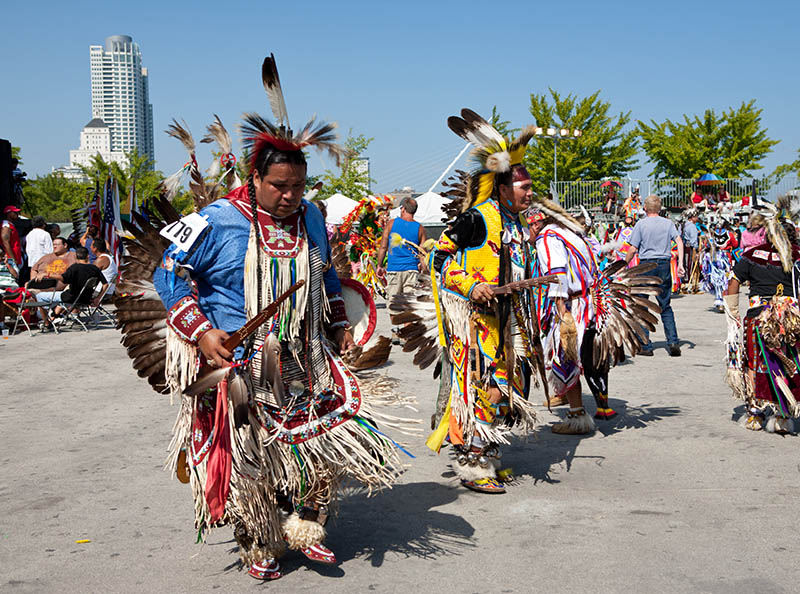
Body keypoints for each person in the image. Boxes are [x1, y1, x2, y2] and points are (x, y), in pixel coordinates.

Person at [147, 56, 406, 581]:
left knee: (318, 445)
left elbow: (327, 274)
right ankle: (258, 537)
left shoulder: (311, 216)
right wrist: (201, 332)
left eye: (299, 187)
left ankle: (307, 526)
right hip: (241, 363)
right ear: (255, 178)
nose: (290, 198)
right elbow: (166, 271)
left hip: (308, 356)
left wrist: (337, 322)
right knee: (252, 456)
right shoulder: (216, 219)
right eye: (279, 187)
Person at [426, 109, 539, 493]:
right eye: (523, 187)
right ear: (503, 188)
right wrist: (471, 285)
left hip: (509, 320)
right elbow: (438, 257)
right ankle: (474, 463)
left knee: (508, 388)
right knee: (484, 387)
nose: (529, 193)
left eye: (529, 187)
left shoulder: (517, 225)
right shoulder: (478, 217)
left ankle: (489, 456)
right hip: (476, 322)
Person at [723, 196, 800, 433]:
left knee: (755, 363)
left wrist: (732, 314)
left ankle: (755, 414)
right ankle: (783, 415)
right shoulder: (796, 255)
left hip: (758, 317)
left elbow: (733, 281)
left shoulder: (751, 255)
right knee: (788, 362)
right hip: (790, 319)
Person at [625, 194, 683, 356]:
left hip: (646, 265)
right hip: (664, 264)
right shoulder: (668, 223)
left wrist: (623, 264)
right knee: (665, 305)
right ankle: (673, 341)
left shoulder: (641, 225)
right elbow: (679, 241)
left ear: (645, 208)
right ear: (660, 208)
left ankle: (645, 344)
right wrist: (681, 264)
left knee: (642, 305)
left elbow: (633, 248)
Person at [376, 197, 427, 302]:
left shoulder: (391, 224)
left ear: (403, 209)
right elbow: (423, 254)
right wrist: (425, 273)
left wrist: (379, 265)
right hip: (412, 271)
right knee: (409, 307)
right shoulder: (420, 228)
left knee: (394, 306)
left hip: (394, 270)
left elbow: (383, 247)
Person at [43, 246, 108, 323]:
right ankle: (54, 317)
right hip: (86, 298)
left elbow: (63, 278)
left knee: (40, 296)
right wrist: (98, 298)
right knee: (63, 297)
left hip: (72, 298)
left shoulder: (74, 268)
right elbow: (105, 284)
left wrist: (47, 274)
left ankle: (47, 323)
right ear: (88, 256)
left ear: (76, 256)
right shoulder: (94, 268)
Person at [1, 205, 24, 285]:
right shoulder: (6, 226)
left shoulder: (10, 225)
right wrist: (12, 259)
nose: (17, 213)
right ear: (8, 213)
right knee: (11, 280)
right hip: (10, 259)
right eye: (14, 212)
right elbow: (5, 242)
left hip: (14, 257)